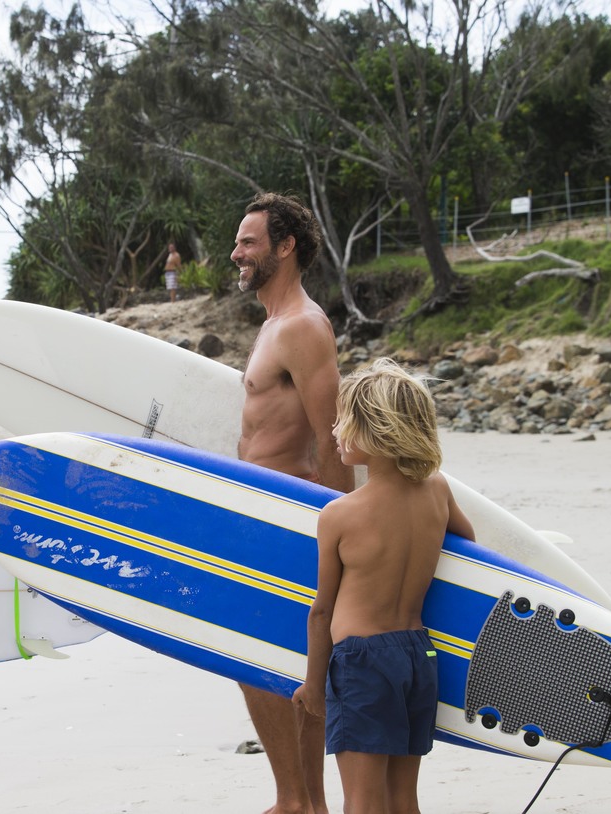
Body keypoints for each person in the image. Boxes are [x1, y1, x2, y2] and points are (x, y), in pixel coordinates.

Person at [292, 359, 475, 814]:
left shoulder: (341, 514)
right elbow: (468, 549)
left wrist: (314, 684)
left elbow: (322, 610)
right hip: (417, 655)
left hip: (361, 663)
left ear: (375, 430)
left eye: (343, 420)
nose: (334, 429)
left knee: (362, 802)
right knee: (402, 800)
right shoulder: (437, 491)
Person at [232, 191, 355, 814]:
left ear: (285, 247)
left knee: (256, 655)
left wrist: (343, 535)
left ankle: (295, 801)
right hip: (259, 515)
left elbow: (333, 437)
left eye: (249, 242)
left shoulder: (304, 327)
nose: (237, 253)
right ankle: (302, 801)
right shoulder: (273, 326)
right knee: (271, 658)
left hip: (289, 521)